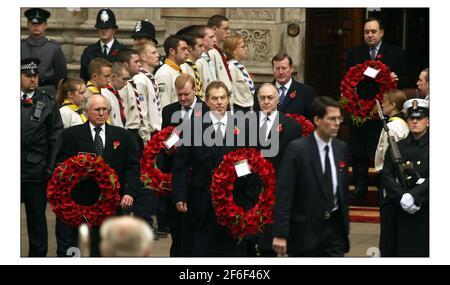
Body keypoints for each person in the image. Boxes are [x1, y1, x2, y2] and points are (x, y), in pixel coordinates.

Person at [55, 94, 140, 257]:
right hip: (82, 202)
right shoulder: (71, 135)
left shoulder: (122, 135)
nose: (102, 113)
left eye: (105, 109)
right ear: (86, 111)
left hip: (112, 204)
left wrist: (129, 192)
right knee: (84, 247)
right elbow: (61, 166)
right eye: (97, 110)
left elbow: (132, 167)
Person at [172, 81, 249, 256]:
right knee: (201, 246)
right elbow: (181, 165)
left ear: (228, 100)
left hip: (233, 196)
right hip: (200, 196)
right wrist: (179, 195)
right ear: (207, 101)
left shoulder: (242, 126)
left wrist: (245, 193)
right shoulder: (193, 127)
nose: (219, 102)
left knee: (231, 248)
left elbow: (247, 161)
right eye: (215, 98)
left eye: (223, 98)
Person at [272, 96, 350, 257]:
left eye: (339, 118)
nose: (337, 123)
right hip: (304, 232)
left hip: (334, 231)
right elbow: (284, 193)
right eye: (331, 119)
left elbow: (342, 191)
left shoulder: (340, 148)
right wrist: (281, 233)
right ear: (317, 120)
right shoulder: (298, 149)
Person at [347, 18, 408, 198]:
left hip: (384, 108)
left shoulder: (396, 53)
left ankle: (384, 182)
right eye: (367, 32)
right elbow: (349, 79)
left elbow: (405, 78)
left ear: (381, 33)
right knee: (358, 147)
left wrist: (396, 77)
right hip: (360, 108)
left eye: (373, 31)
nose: (370, 35)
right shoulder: (354, 53)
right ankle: (360, 184)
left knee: (380, 146)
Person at [160, 74, 209, 256]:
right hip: (175, 172)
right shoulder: (169, 111)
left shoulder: (206, 109)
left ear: (195, 90)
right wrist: (168, 147)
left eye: (186, 94)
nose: (183, 99)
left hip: (198, 174)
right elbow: (164, 143)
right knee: (176, 227)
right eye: (179, 95)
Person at [21, 57, 64, 256]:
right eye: (27, 76)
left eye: (34, 76)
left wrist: (49, 167)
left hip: (36, 169)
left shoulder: (47, 102)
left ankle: (37, 258)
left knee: (37, 219)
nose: (32, 79)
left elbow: (56, 136)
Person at [255, 83, 302, 257]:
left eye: (270, 98)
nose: (266, 101)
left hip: (276, 189)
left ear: (278, 100)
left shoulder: (292, 126)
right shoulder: (246, 123)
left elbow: (293, 162)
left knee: (268, 246)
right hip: (251, 189)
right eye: (262, 98)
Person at [381, 98, 429, 256]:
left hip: (425, 209)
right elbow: (387, 174)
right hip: (399, 209)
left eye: (419, 118)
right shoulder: (398, 147)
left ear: (428, 121)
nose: (415, 121)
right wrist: (402, 197)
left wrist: (415, 195)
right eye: (411, 118)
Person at [373, 90, 409, 257]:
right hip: (403, 179)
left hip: (390, 179)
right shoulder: (404, 123)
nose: (382, 104)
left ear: (393, 105)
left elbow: (385, 153)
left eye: (385, 101)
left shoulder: (392, 127)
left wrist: (380, 168)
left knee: (388, 225)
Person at [21, 8, 68, 93]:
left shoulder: (54, 47)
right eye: (33, 23)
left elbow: (61, 76)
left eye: (40, 23)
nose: (36, 26)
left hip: (47, 92)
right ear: (27, 24)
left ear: (45, 25)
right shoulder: (20, 46)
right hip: (22, 91)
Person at [79, 8, 127, 82]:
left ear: (114, 30)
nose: (103, 30)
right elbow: (84, 77)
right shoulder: (89, 51)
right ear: (97, 30)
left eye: (106, 28)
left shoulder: (123, 51)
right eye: (101, 28)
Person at [263, 52, 315, 120]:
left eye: (284, 68)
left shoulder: (306, 92)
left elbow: (310, 122)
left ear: (291, 68)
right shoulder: (262, 91)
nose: (281, 72)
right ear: (273, 70)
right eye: (277, 68)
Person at [134, 42, 163, 134]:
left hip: (158, 131)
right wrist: (146, 138)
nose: (158, 55)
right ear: (143, 57)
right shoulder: (140, 80)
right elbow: (142, 111)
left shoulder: (151, 78)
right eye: (153, 53)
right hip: (149, 133)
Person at [155, 35, 190, 108]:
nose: (187, 52)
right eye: (183, 49)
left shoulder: (181, 69)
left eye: (187, 49)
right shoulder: (164, 74)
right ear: (172, 51)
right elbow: (164, 106)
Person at [223, 35, 255, 113]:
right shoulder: (231, 67)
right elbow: (230, 91)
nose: (246, 49)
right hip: (238, 110)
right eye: (243, 47)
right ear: (233, 50)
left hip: (247, 108)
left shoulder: (239, 66)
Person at [207, 15, 233, 93]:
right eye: (225, 29)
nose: (228, 32)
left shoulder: (219, 52)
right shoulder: (210, 52)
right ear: (214, 29)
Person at [101, 62, 130, 128]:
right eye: (124, 79)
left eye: (127, 79)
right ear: (113, 77)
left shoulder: (116, 93)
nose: (126, 83)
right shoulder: (104, 94)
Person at [180, 32, 205, 100]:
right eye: (200, 46)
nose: (203, 49)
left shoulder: (196, 66)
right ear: (190, 48)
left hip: (199, 105)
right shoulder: (183, 68)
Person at [194, 25, 218, 95]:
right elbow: (197, 91)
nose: (215, 40)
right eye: (211, 37)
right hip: (204, 104)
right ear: (201, 39)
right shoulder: (198, 62)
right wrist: (199, 106)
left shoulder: (210, 57)